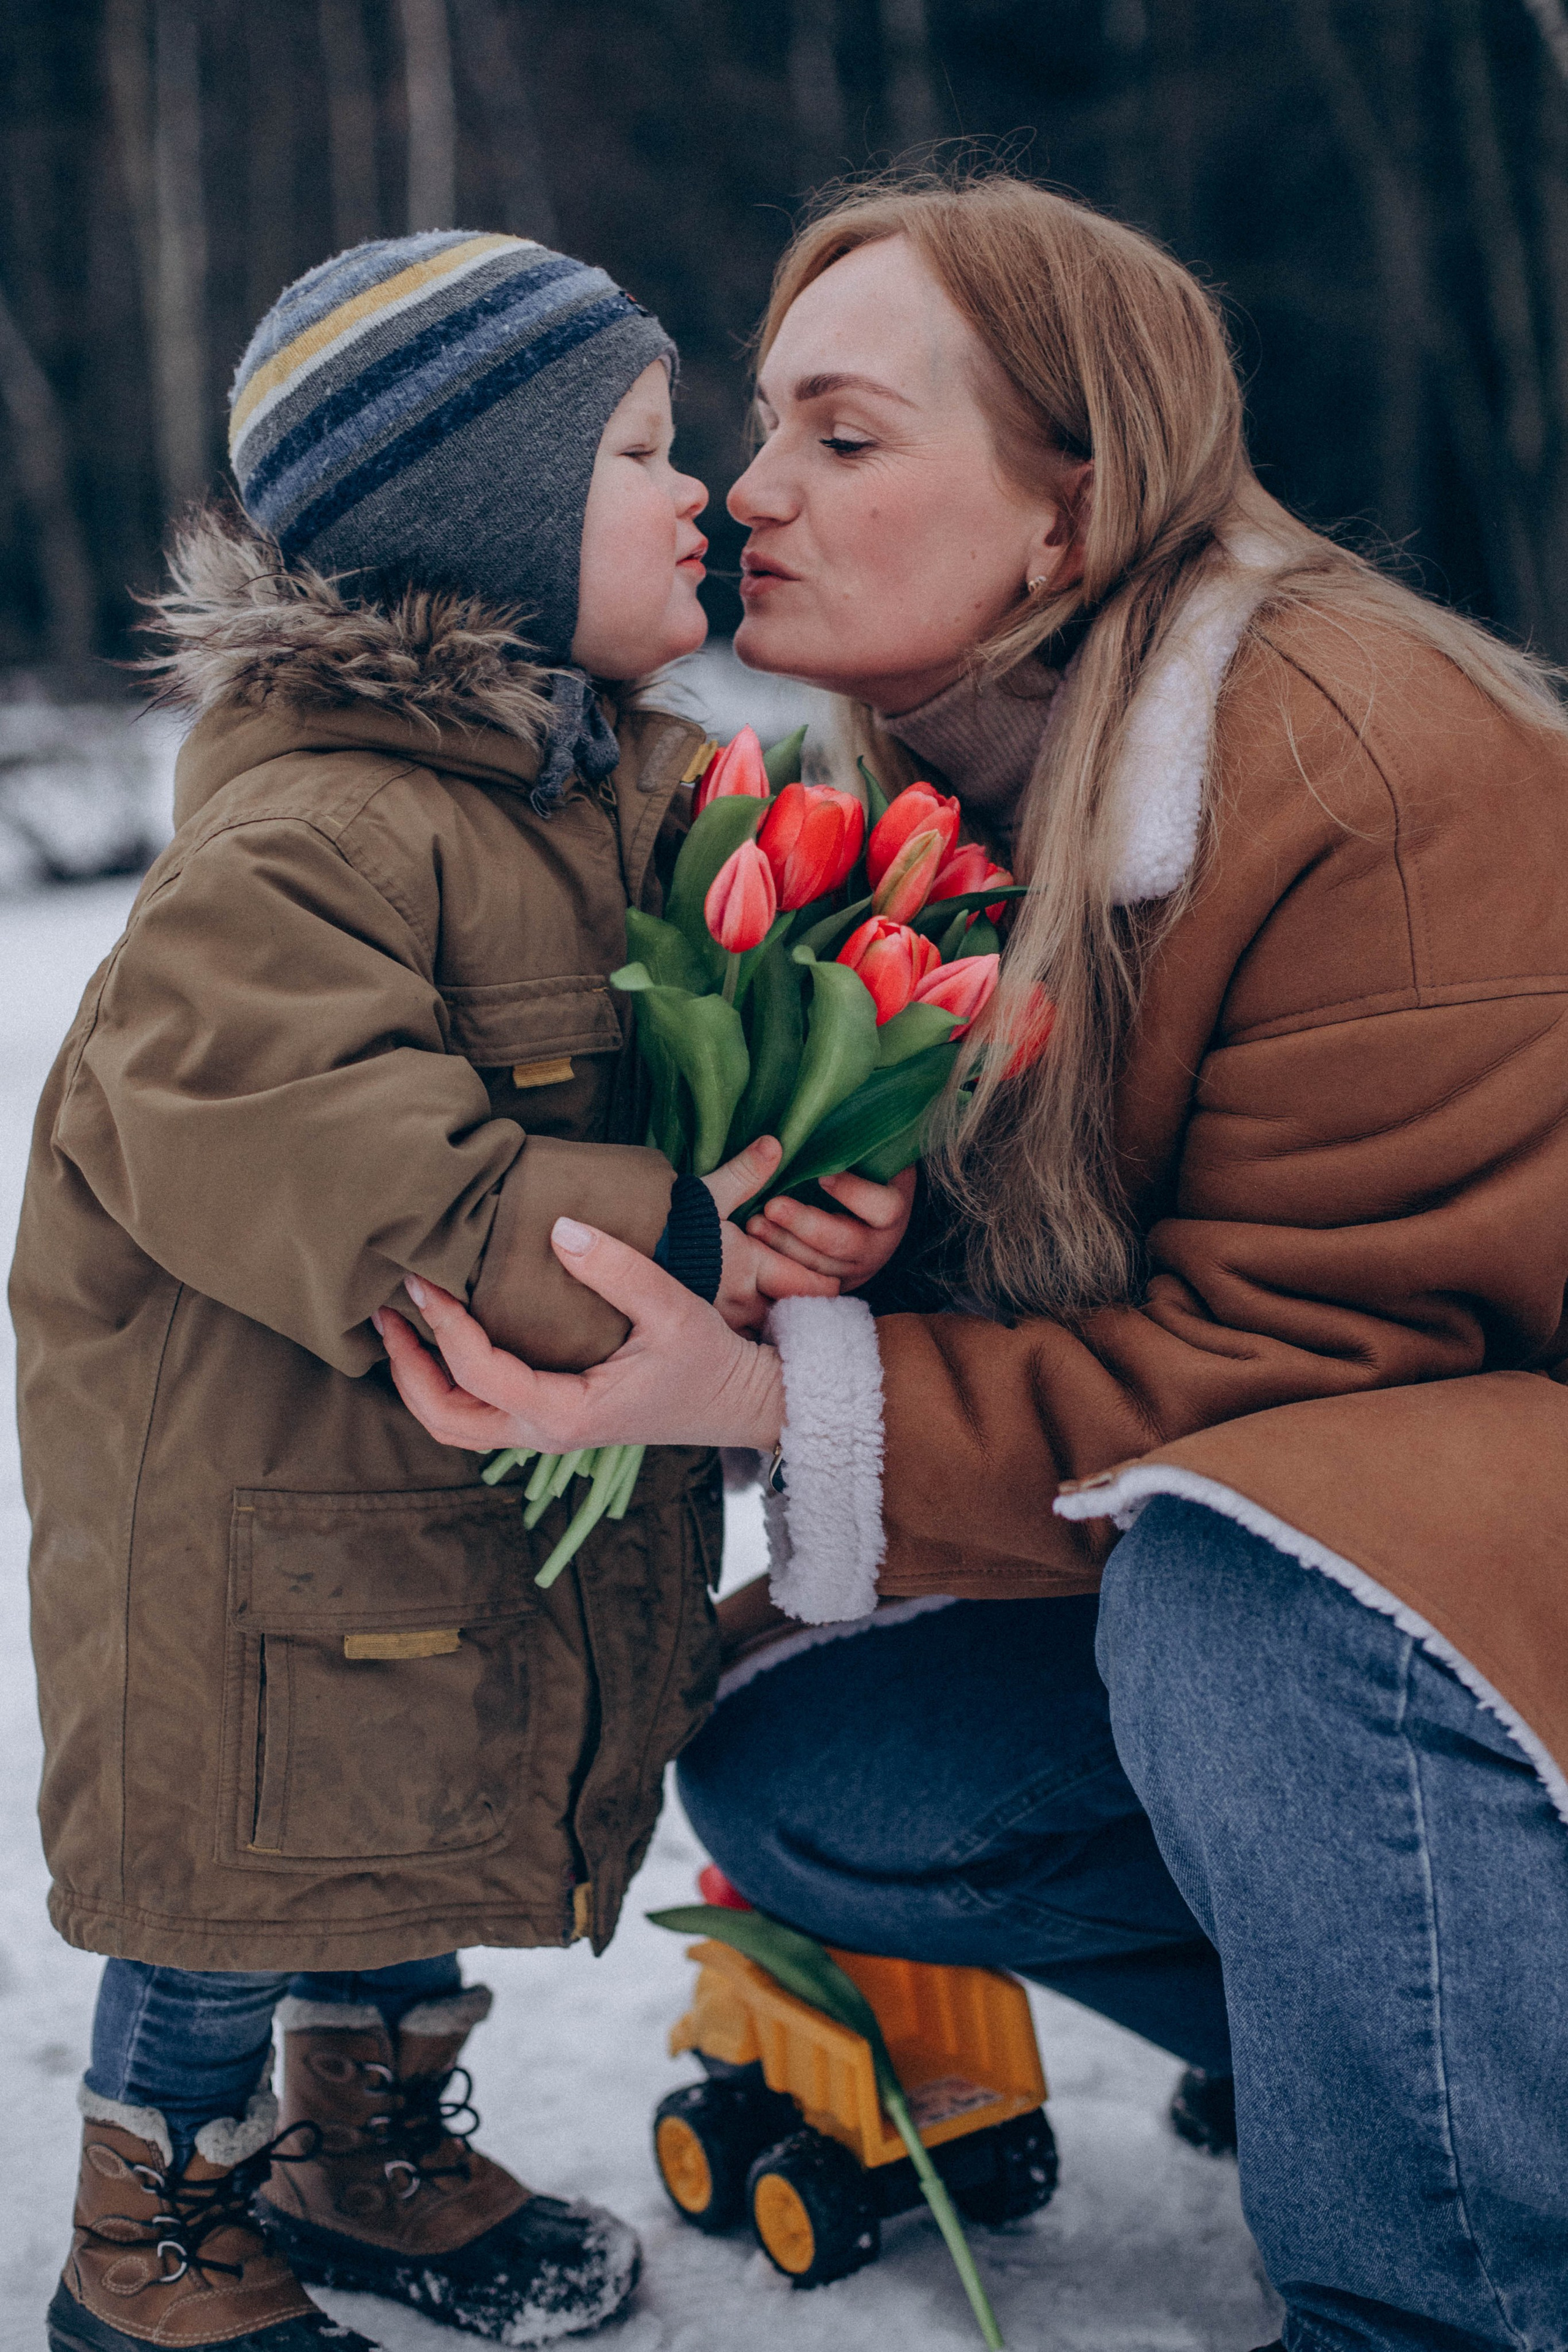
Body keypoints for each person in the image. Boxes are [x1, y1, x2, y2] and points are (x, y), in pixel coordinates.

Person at [379, 177, 1568, 2350]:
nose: (748, 492)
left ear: (1070, 514)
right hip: (1373, 1575)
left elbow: (1321, 1386)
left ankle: (1448, 2292)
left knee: (1245, 1585)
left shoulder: (1363, 770)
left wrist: (768, 1402)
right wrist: (787, 1276)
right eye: (759, 429)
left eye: (845, 438)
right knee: (809, 1757)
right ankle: (1428, 2048)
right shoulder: (933, 793)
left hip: (1480, 1564)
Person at [9, 229, 912, 2352]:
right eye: (637, 452)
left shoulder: (624, 798)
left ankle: (366, 2139)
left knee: (417, 1837)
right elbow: (335, 1156)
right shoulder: (311, 838)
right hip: (263, 1522)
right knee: (243, 1878)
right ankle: (155, 2231)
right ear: (482, 525)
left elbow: (746, 1002)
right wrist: (682, 1240)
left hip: (464, 1479)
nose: (703, 493)